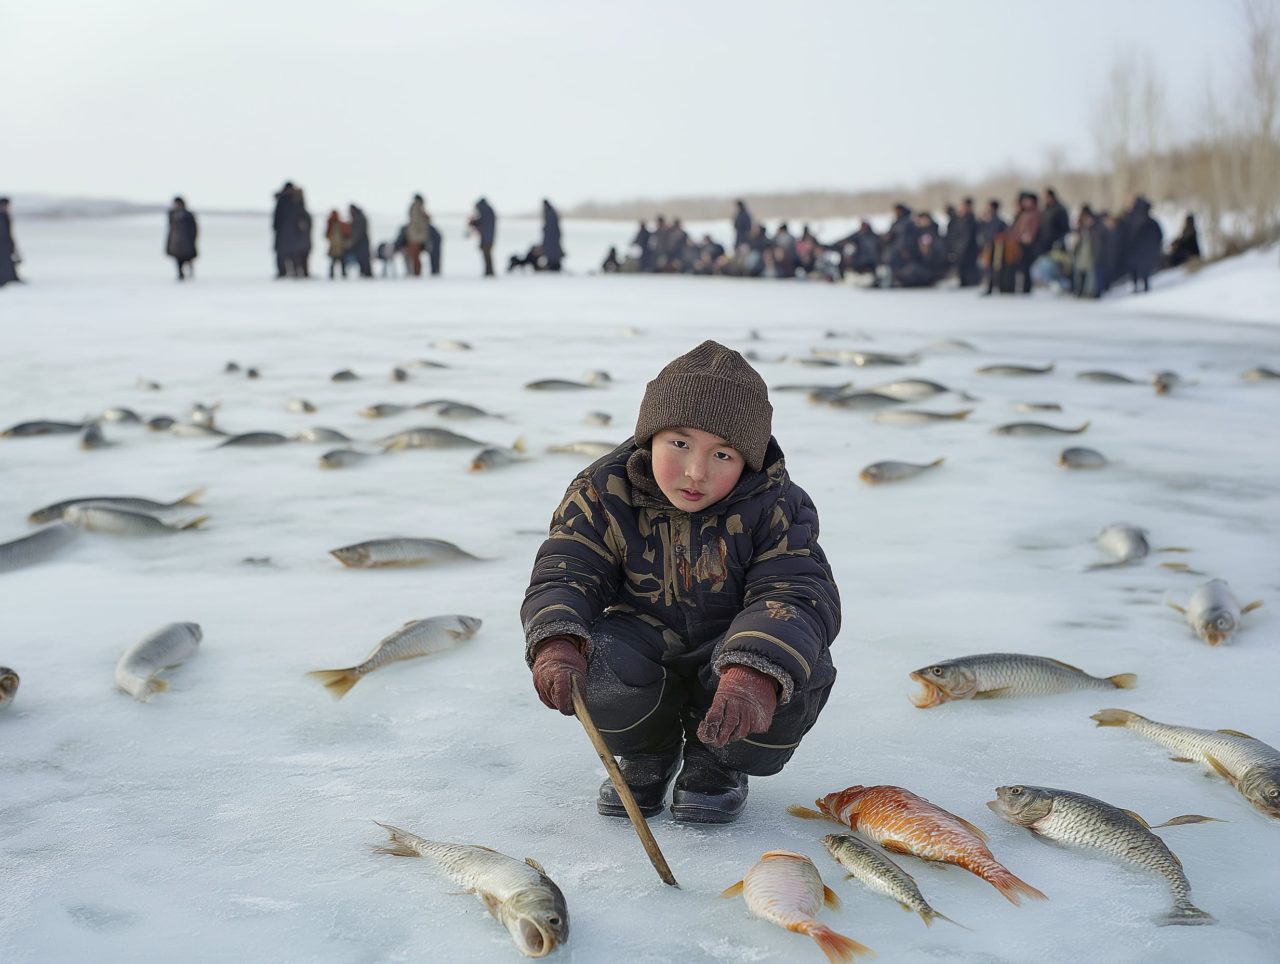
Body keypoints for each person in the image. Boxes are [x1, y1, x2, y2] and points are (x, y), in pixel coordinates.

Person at [523, 340, 840, 825]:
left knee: (793, 664)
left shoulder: (778, 506)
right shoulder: (602, 493)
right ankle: (648, 752)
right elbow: (568, 567)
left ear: (749, 460)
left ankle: (718, 761)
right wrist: (558, 638)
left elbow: (795, 591)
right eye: (679, 444)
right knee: (600, 660)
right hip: (644, 643)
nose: (696, 471)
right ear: (648, 435)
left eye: (723, 454)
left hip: (729, 650)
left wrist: (755, 672)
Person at [1124, 196, 1163, 293]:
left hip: (1137, 250)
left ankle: (1138, 286)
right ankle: (1142, 285)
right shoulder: (1151, 222)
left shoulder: (1132, 220)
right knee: (1143, 269)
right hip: (1142, 250)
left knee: (1137, 269)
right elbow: (1159, 236)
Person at [272, 181, 305, 278]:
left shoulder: (295, 199)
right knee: (284, 253)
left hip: (290, 232)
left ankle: (293, 271)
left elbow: (300, 215)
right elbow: (278, 216)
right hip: (285, 232)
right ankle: (284, 272)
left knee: (292, 253)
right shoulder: (286, 200)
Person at [165, 196, 198, 281]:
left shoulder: (188, 215)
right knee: (178, 258)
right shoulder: (172, 214)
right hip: (175, 241)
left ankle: (188, 270)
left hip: (186, 240)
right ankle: (180, 273)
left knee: (187, 257)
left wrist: (192, 239)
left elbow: (193, 228)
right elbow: (170, 228)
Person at [950, 198, 981, 287]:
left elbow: (967, 236)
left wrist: (960, 248)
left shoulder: (971, 220)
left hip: (968, 249)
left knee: (969, 269)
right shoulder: (959, 219)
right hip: (960, 249)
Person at [469, 197, 497, 277]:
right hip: (488, 238)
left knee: (487, 255)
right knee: (487, 255)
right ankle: (489, 272)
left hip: (487, 239)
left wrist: (474, 223)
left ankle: (489, 272)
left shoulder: (485, 211)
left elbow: (483, 224)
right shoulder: (488, 211)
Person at [406, 194, 428, 277]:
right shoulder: (417, 208)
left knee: (415, 257)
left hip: (414, 236)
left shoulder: (415, 208)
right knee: (415, 257)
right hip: (416, 237)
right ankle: (416, 273)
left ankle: (415, 273)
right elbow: (418, 222)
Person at [0, 197, 21, 286]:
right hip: (2, 244)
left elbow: (8, 232)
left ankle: (10, 278)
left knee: (8, 262)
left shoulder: (5, 215)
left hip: (6, 244)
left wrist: (11, 244)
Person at [324, 208, 350, 279]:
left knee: (340, 262)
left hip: (339, 246)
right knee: (336, 262)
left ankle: (341, 274)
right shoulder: (332, 224)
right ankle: (337, 274)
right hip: (336, 247)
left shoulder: (337, 224)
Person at [348, 204, 372, 277]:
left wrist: (351, 242)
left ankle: (367, 274)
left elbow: (358, 232)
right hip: (361, 243)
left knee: (364, 260)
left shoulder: (359, 218)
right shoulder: (358, 217)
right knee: (362, 260)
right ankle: (365, 273)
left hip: (362, 243)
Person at [541, 199, 563, 272]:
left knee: (553, 253)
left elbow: (552, 227)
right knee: (551, 252)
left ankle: (554, 266)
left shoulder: (551, 213)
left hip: (552, 238)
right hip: (551, 238)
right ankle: (552, 265)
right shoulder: (550, 212)